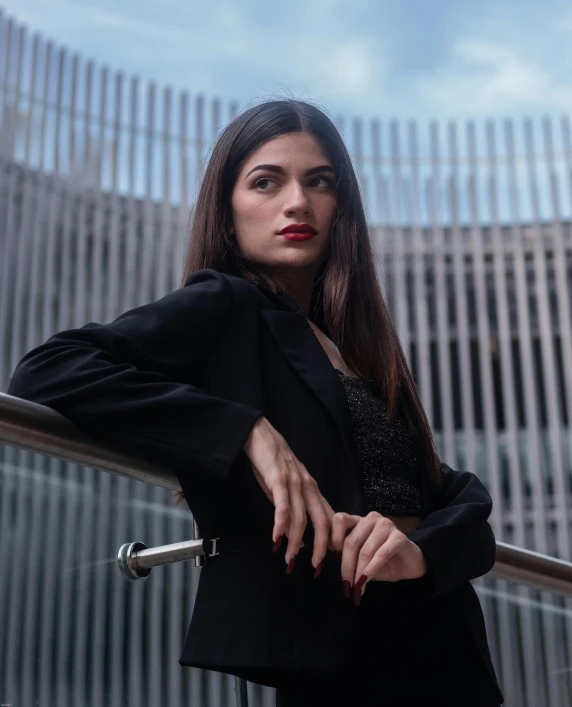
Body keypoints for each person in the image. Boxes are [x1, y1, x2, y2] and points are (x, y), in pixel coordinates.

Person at [7, 98, 504, 706]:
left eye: (319, 182)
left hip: (443, 642)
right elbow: (47, 370)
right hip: (340, 649)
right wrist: (246, 431)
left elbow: (459, 502)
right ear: (229, 207)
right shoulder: (225, 304)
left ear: (341, 207)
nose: (297, 202)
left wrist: (420, 554)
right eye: (266, 181)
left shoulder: (360, 349)